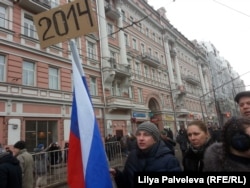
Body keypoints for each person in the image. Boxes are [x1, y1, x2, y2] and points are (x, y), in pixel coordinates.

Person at [110, 121, 182, 188]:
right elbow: (126, 182)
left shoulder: (170, 160)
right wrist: (117, 175)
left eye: (146, 135)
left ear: (155, 139)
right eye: (138, 134)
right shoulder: (132, 156)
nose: (141, 138)